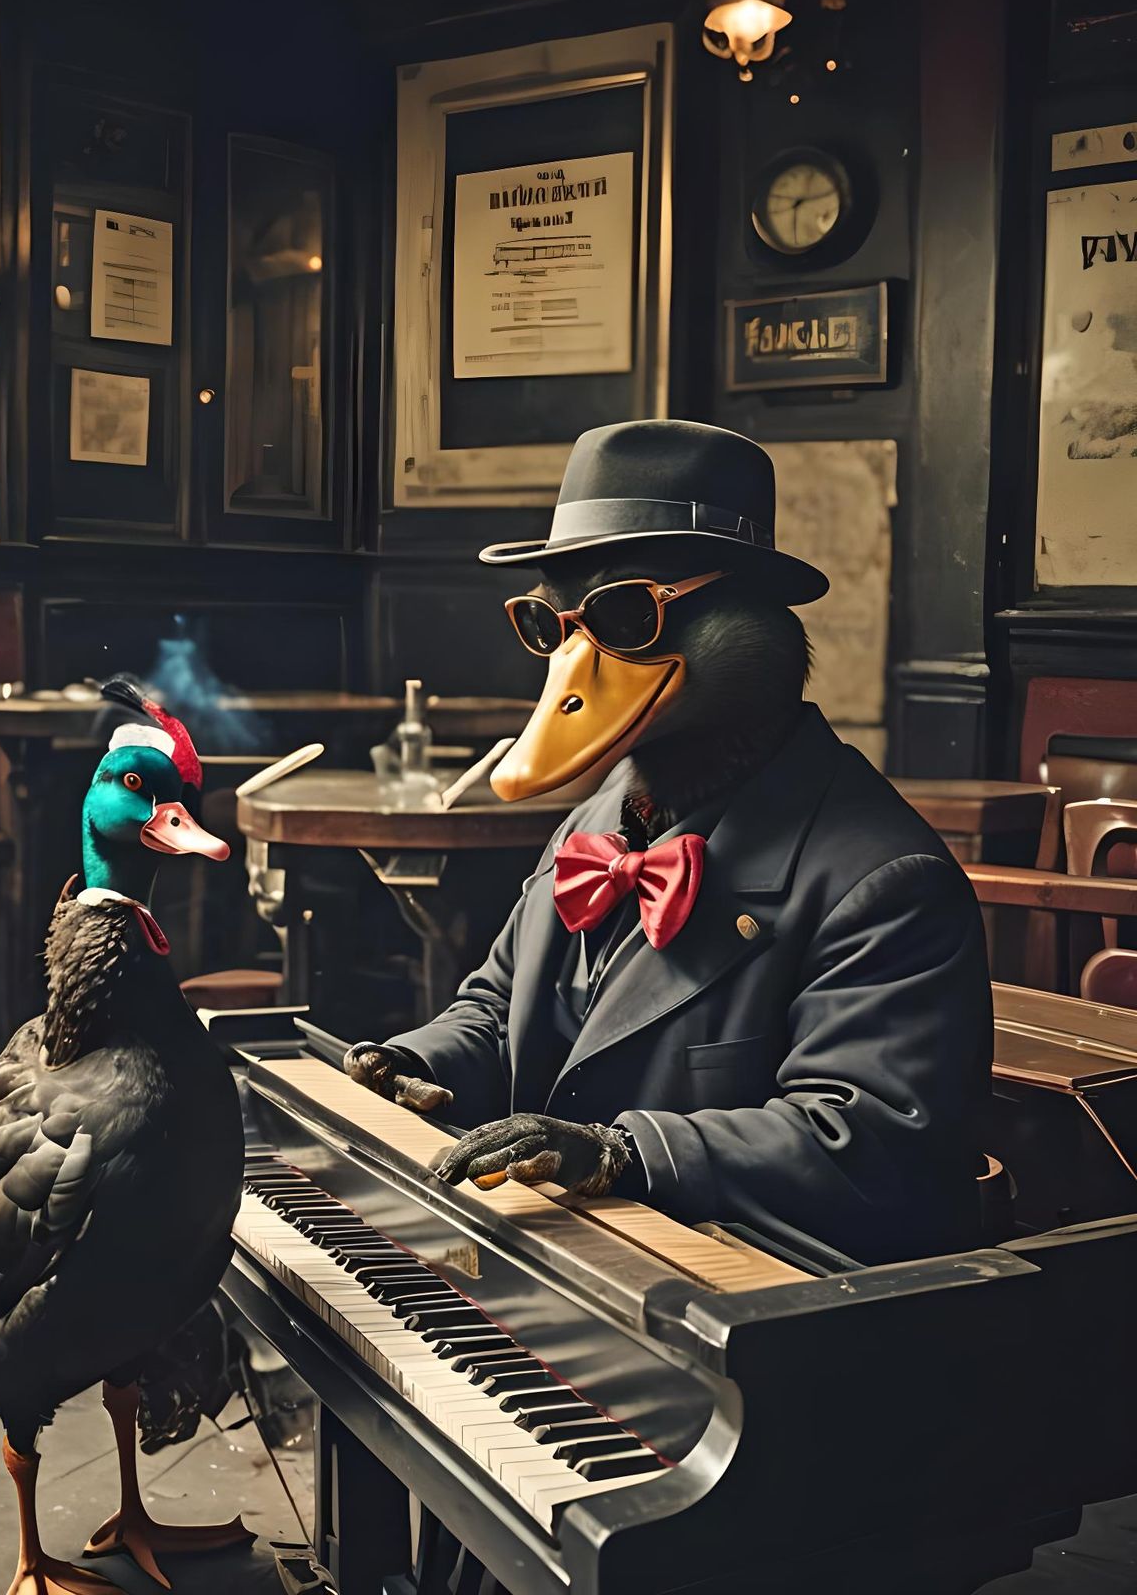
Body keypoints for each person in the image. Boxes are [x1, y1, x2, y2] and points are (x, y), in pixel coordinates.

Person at [345, 420, 991, 1268]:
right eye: (551, 624)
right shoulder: (598, 816)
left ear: (750, 618)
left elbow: (867, 1140)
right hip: (568, 1266)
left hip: (743, 1302)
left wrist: (621, 1153)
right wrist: (412, 1062)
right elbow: (501, 1008)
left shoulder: (886, 881)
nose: (573, 668)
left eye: (623, 613)